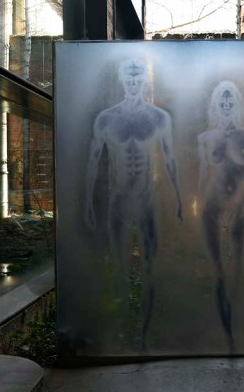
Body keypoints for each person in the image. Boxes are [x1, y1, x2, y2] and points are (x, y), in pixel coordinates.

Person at [84, 59, 182, 349]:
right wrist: (87, 202)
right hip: (119, 202)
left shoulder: (158, 118)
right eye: (129, 76)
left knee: (151, 268)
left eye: (139, 77)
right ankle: (126, 325)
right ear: (122, 79)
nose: (134, 81)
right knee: (120, 267)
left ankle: (146, 330)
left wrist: (177, 197)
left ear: (145, 80)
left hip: (148, 200)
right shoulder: (106, 119)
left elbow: (170, 158)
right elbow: (93, 160)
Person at [197, 80, 244, 351]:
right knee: (219, 273)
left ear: (236, 104)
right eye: (222, 102)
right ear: (216, 105)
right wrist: (197, 211)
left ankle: (235, 324)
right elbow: (203, 178)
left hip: (241, 209)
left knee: (238, 270)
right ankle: (225, 330)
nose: (226, 106)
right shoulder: (205, 138)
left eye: (230, 101)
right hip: (212, 211)